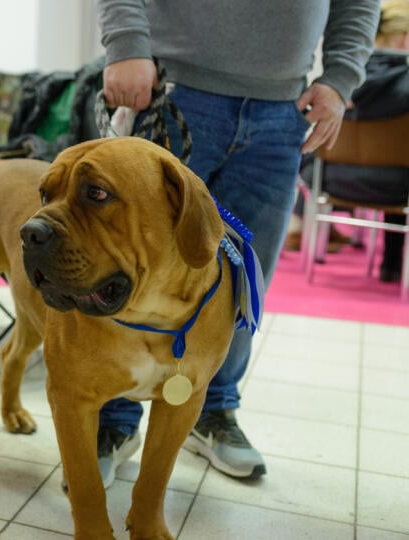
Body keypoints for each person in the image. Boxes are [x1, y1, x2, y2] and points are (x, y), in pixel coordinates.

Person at [96, 0, 378, 485]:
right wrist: (125, 43)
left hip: (284, 108)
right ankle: (113, 421)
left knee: (244, 276)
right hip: (176, 90)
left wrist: (340, 78)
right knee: (134, 263)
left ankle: (213, 409)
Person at [291, 0, 409, 282]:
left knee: (309, 157)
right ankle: (392, 267)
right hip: (397, 188)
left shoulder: (337, 83)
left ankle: (300, 227)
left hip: (331, 179)